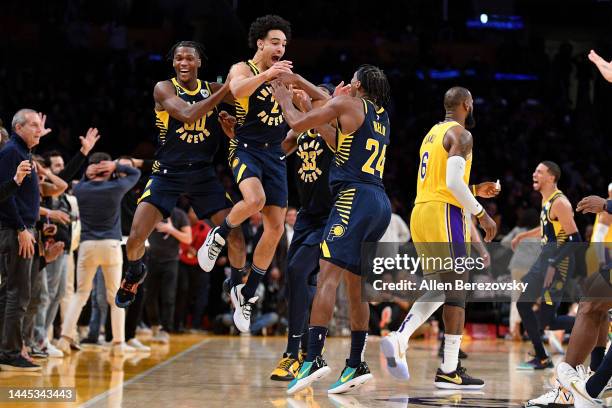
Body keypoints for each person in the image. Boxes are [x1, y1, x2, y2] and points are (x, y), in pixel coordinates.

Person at [271, 64, 392, 394]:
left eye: (351, 81)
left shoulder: (349, 104)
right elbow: (329, 131)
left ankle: (312, 358)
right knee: (356, 286)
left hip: (353, 197)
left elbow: (297, 123)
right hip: (380, 202)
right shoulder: (379, 116)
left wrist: (285, 97)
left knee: (326, 277)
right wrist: (308, 92)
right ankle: (355, 363)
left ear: (357, 85)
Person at [380, 87, 497, 389]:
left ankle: (401, 337)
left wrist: (473, 189)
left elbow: (444, 182)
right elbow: (452, 183)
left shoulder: (432, 134)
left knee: (441, 287)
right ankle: (449, 368)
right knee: (458, 289)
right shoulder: (463, 135)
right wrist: (481, 213)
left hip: (421, 212)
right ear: (466, 105)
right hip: (445, 214)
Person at [116, 41, 246, 309]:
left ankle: (236, 284)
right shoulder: (164, 88)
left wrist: (268, 79)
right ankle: (135, 271)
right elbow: (186, 115)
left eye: (189, 58)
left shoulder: (212, 89)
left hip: (203, 174)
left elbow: (247, 97)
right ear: (174, 63)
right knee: (136, 236)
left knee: (235, 234)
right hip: (167, 172)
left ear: (199, 62)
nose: (183, 63)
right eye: (179, 59)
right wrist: (223, 92)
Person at [269, 84, 336, 381]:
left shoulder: (335, 124)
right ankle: (310, 353)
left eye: (317, 96)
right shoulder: (302, 131)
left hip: (333, 214)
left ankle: (291, 353)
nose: (307, 98)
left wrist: (303, 105)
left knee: (298, 271)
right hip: (307, 214)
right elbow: (278, 148)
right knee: (301, 279)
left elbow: (322, 124)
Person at [56, 153, 140, 356]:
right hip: (111, 245)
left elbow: (75, 182)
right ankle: (118, 344)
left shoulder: (81, 188)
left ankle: (64, 340)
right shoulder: (116, 187)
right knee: (115, 297)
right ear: (107, 169)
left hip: (87, 246)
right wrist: (115, 165)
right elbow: (135, 172)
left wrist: (86, 175)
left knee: (80, 294)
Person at [511, 161, 580, 370]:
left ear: (551, 177)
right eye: (534, 171)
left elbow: (575, 240)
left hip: (558, 265)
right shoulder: (547, 200)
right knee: (523, 303)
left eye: (539, 172)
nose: (534, 174)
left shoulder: (561, 203)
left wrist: (552, 263)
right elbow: (546, 228)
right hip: (545, 261)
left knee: (549, 321)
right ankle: (541, 357)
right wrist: (524, 235)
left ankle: (600, 322)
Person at [0, 109, 50, 371]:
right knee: (18, 294)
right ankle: (10, 352)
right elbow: (5, 196)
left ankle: (6, 348)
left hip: (21, 229)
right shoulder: (11, 152)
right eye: (33, 125)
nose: (38, 129)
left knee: (13, 293)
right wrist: (21, 228)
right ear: (18, 127)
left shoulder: (22, 152)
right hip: (16, 231)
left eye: (39, 125)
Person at [145, 206, 191, 343]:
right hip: (150, 259)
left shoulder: (180, 215)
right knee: (149, 296)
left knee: (168, 297)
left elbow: (188, 238)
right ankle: (154, 325)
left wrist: (170, 229)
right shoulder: (150, 211)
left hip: (171, 261)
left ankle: (166, 330)